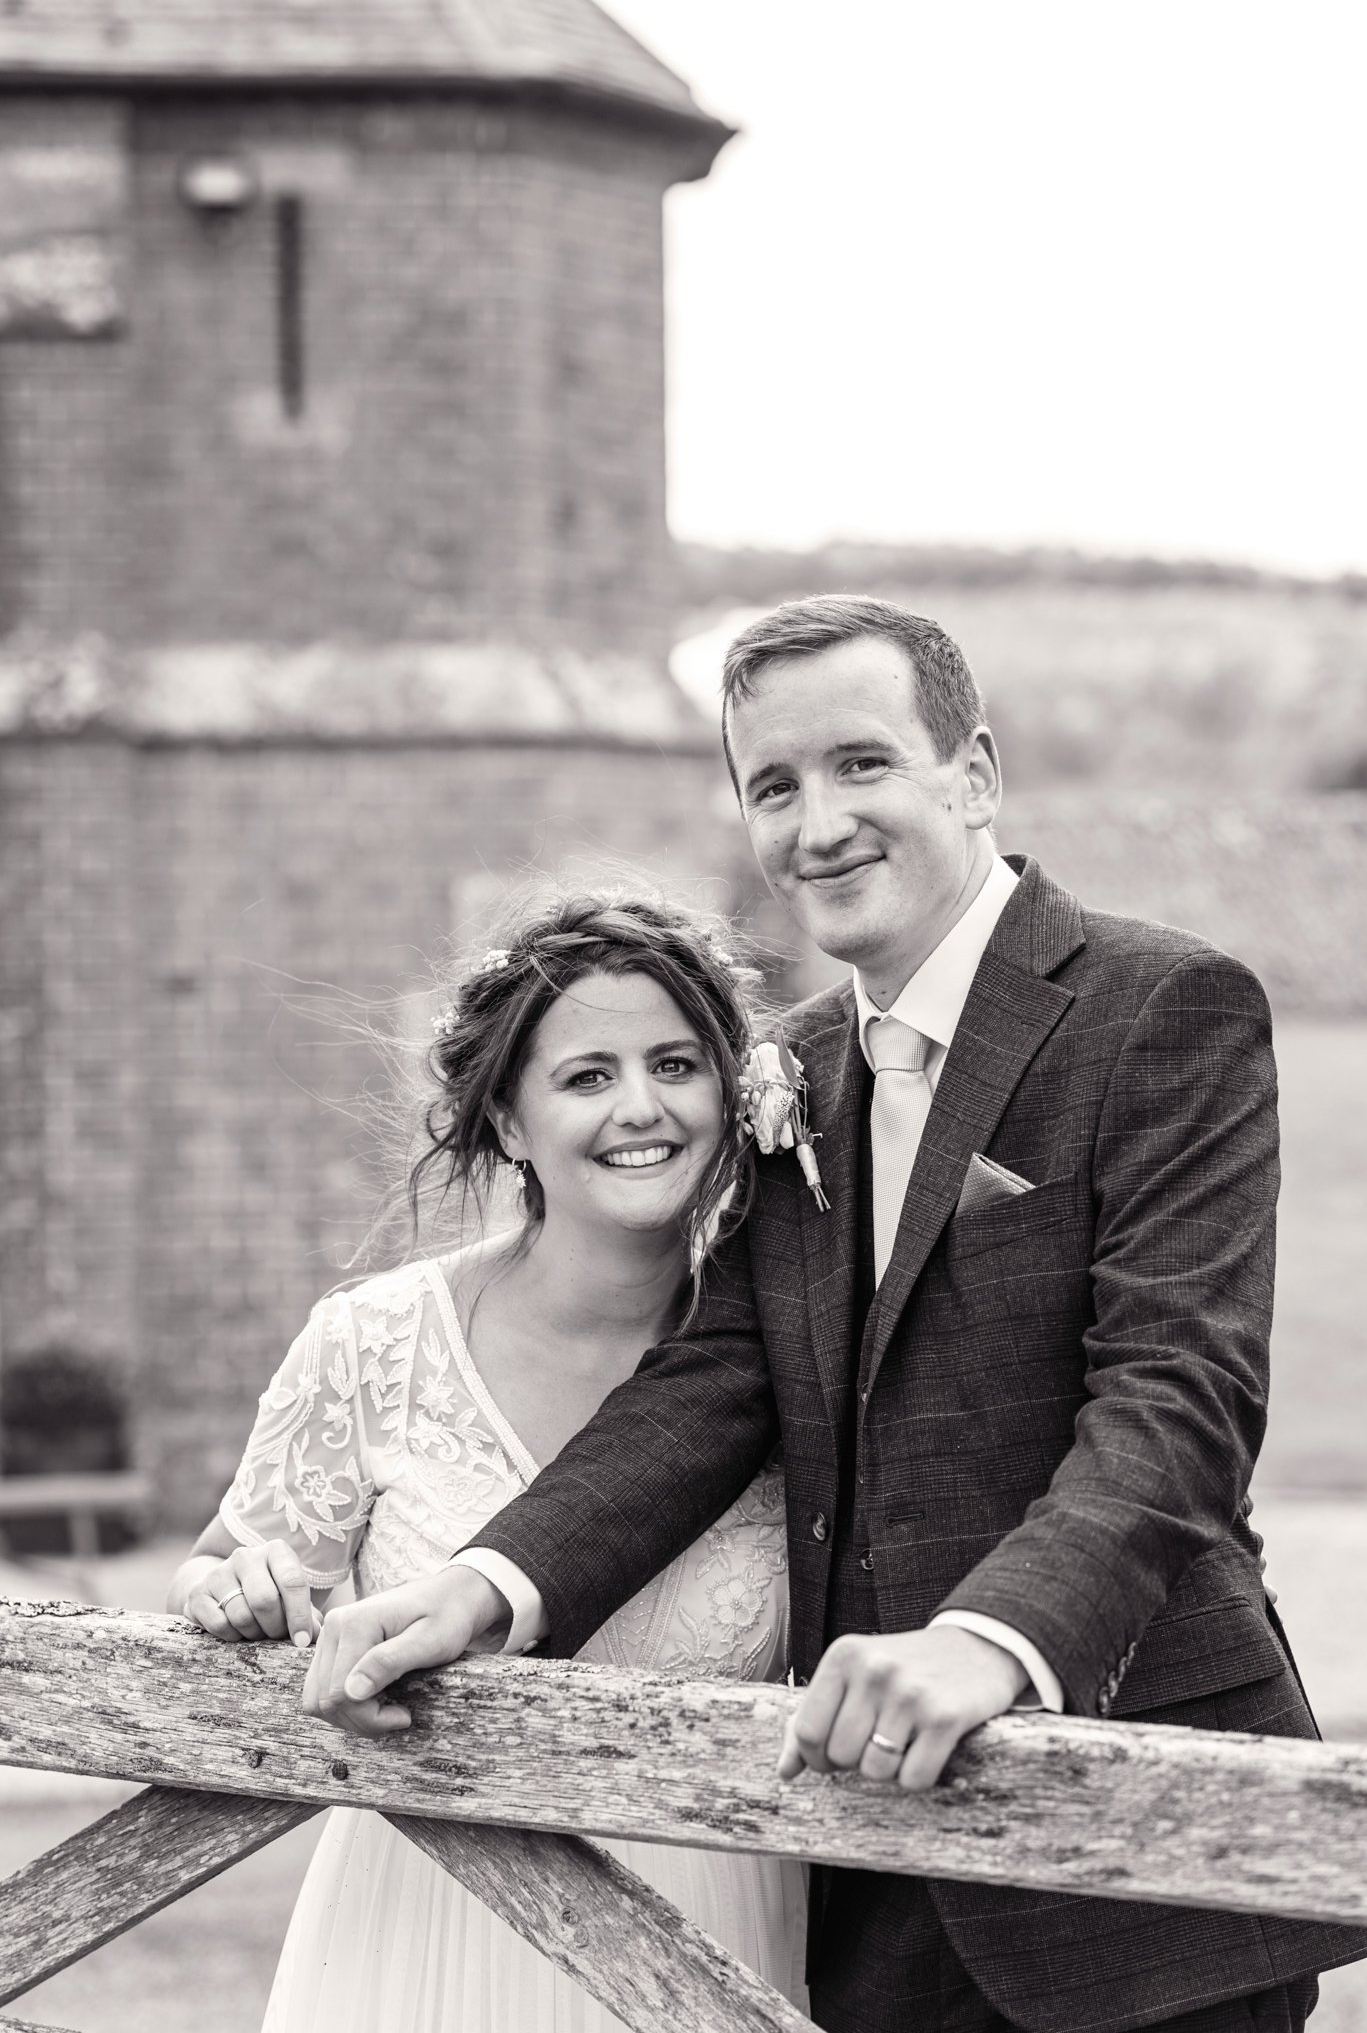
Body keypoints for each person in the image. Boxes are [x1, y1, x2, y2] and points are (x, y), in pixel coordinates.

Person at [306, 595, 1367, 2033]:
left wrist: (987, 1639)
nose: (817, 824)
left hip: (1138, 1858)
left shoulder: (1160, 1007)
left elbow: (1175, 1400)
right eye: (773, 785)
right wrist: (483, 1584)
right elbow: (712, 1382)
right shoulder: (791, 1070)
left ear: (972, 774)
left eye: (860, 763)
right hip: (870, 1869)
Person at [166, 891, 808, 2032]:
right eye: (586, 1076)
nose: (641, 1106)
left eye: (674, 1064)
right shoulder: (373, 1343)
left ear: (730, 1092)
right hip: (426, 1935)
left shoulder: (798, 1350)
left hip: (720, 1931)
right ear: (509, 1122)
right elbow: (221, 1567)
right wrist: (232, 1590)